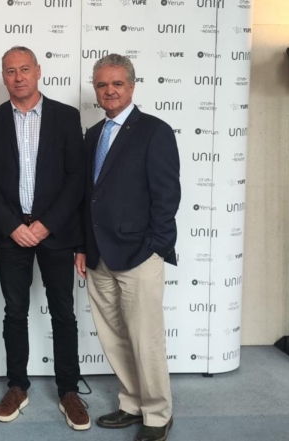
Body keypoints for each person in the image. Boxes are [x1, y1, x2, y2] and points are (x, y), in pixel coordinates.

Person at [0, 46, 89, 431]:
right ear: (4, 77)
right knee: (14, 312)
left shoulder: (66, 116)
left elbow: (76, 177)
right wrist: (13, 225)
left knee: (63, 313)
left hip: (56, 232)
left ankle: (69, 390)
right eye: (10, 71)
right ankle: (17, 386)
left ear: (38, 71)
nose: (18, 77)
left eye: (24, 69)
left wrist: (47, 224)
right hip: (11, 234)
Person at [75, 53, 180, 441]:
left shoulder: (154, 131)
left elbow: (167, 196)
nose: (110, 91)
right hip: (98, 254)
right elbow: (88, 197)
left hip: (139, 254)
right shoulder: (92, 135)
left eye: (117, 83)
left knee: (144, 338)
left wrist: (156, 247)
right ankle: (132, 402)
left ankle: (157, 414)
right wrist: (83, 247)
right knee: (114, 336)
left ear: (132, 87)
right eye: (102, 84)